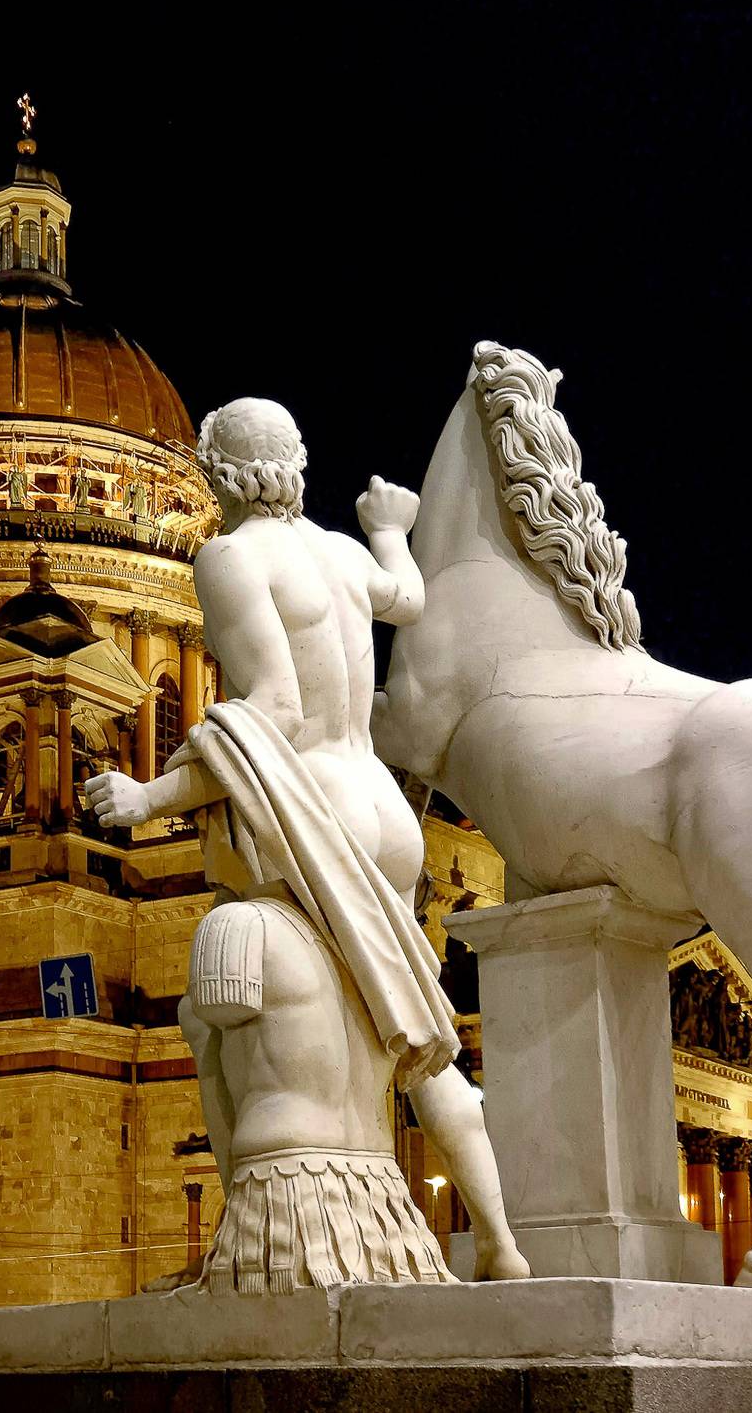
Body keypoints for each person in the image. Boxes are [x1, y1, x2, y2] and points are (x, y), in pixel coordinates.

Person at [88, 397, 528, 1288]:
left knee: (211, 1018)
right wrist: (390, 529)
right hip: (387, 815)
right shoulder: (338, 552)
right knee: (411, 1023)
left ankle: (258, 1228)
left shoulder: (230, 557)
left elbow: (275, 710)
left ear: (216, 474)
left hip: (313, 809)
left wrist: (151, 796)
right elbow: (407, 598)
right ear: (293, 467)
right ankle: (500, 1243)